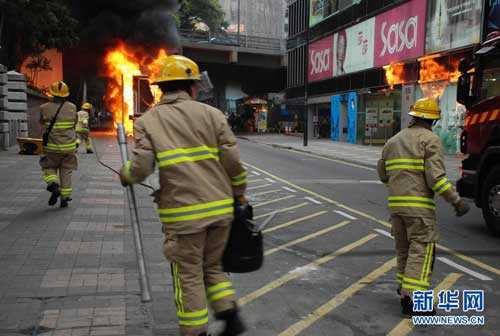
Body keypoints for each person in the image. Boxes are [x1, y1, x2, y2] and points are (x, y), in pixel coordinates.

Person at [120, 55, 248, 336]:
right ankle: (230, 315)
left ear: (161, 88)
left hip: (183, 217)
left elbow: (141, 168)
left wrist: (125, 174)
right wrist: (240, 195)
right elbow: (234, 164)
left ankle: (194, 332)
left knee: (188, 275)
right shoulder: (213, 115)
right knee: (212, 266)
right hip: (220, 212)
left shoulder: (149, 121)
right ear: (191, 86)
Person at [377, 97, 470, 317]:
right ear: (433, 121)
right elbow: (436, 179)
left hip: (396, 209)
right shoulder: (430, 140)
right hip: (419, 210)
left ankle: (403, 291)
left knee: (404, 251)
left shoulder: (393, 140)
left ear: (414, 117)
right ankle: (414, 302)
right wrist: (456, 201)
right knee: (421, 253)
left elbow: (382, 173)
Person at [39, 81, 78, 208]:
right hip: (69, 147)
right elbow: (74, 123)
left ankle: (53, 184)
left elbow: (41, 122)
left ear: (52, 93)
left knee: (48, 166)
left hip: (51, 147)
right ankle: (65, 197)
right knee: (66, 171)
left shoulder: (44, 107)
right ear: (66, 95)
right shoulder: (72, 107)